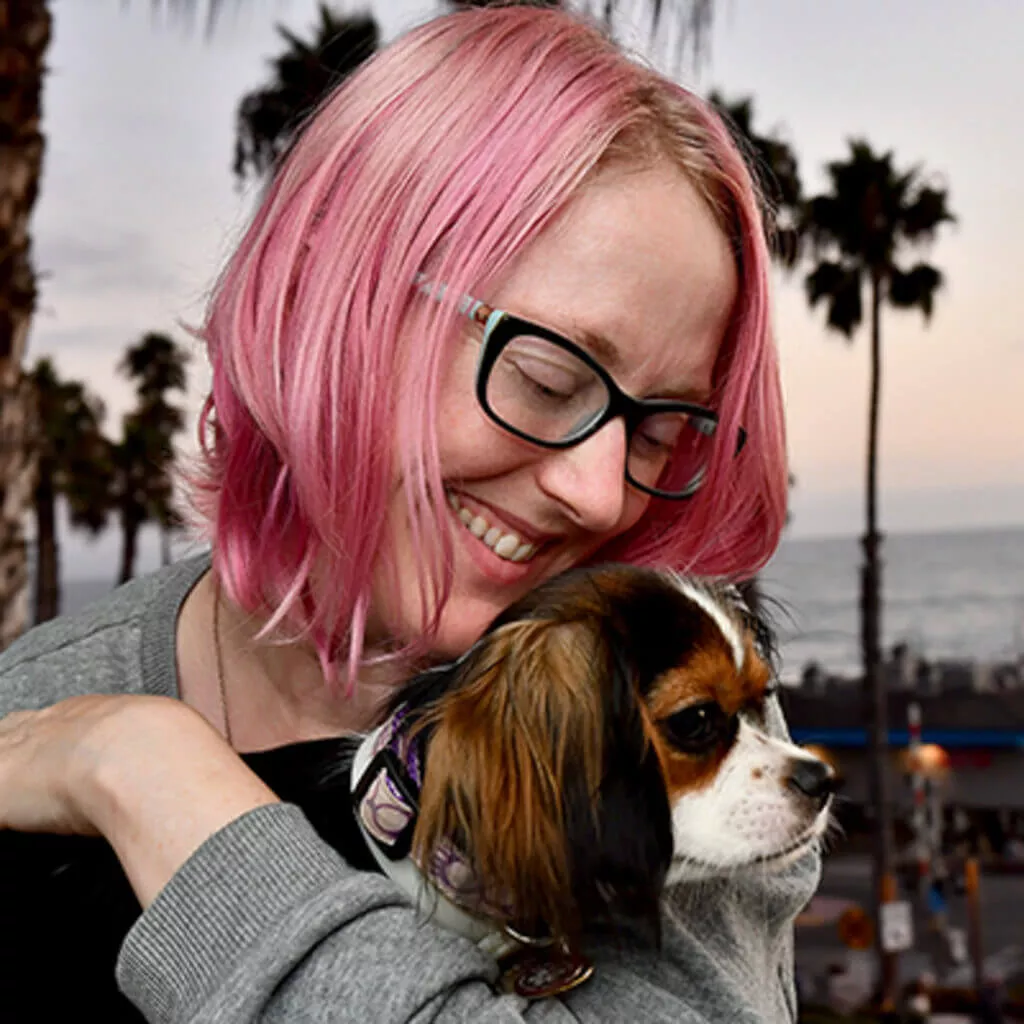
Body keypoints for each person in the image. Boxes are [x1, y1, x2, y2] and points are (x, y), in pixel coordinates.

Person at [0, 6, 811, 1022]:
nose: (600, 492)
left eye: (659, 431)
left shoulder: (663, 714)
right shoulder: (33, 705)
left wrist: (147, 775)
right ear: (325, 301)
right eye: (546, 377)